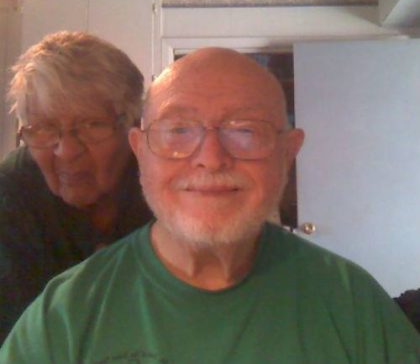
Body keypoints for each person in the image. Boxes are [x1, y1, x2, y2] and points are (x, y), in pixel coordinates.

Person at [1, 48, 419, 363]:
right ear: (141, 150)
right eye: (179, 130)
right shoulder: (60, 316)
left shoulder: (353, 305)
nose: (212, 158)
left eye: (246, 131)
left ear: (288, 153)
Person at [0, 31, 152, 344]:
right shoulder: (12, 192)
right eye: (44, 128)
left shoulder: (164, 185)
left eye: (91, 125)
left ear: (133, 125)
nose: (67, 151)